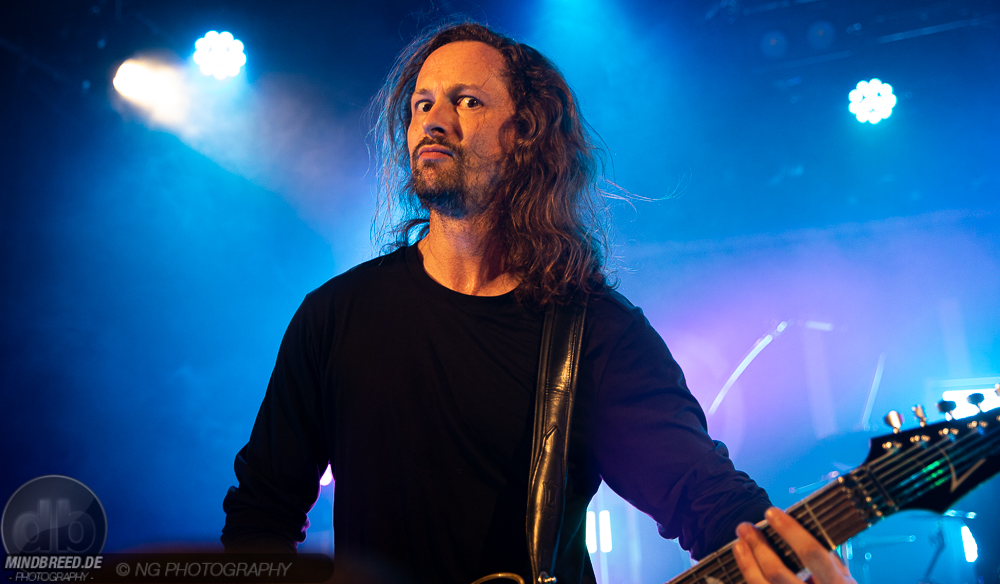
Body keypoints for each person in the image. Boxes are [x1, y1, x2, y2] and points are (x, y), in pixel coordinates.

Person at [222, 21, 777, 584]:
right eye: (421, 105)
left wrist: (786, 550)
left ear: (524, 135)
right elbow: (261, 513)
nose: (434, 121)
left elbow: (706, 497)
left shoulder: (597, 332)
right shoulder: (336, 317)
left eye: (467, 101)